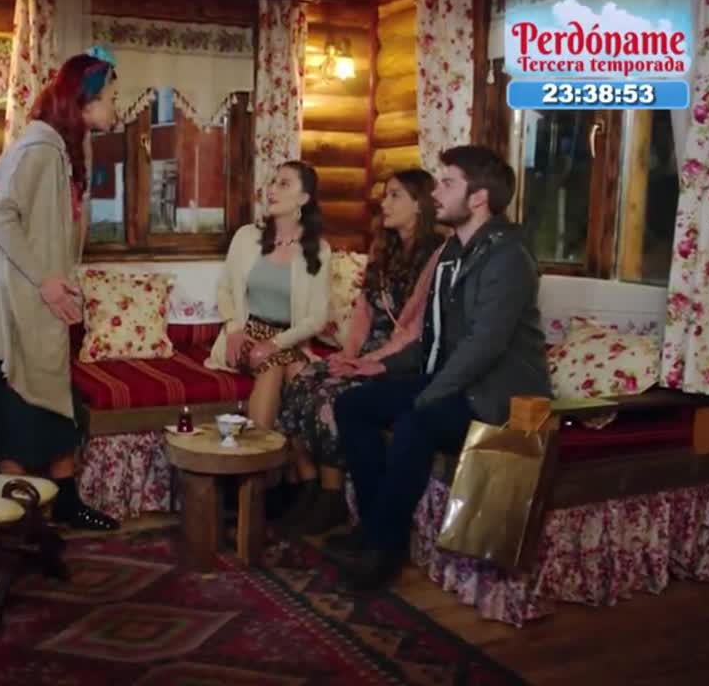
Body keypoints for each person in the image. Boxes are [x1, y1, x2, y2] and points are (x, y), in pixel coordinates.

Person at [330, 145, 551, 590]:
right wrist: (385, 367)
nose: (436, 192)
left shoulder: (508, 256)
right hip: (459, 383)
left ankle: (383, 550)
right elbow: (434, 338)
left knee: (416, 421)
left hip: (499, 395)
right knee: (354, 404)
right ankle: (375, 527)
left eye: (448, 183)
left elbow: (485, 346)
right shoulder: (454, 252)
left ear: (478, 198)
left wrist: (428, 394)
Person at [0, 52, 121, 530]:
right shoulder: (39, 148)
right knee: (16, 417)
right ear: (84, 101)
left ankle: (64, 502)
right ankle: (19, 519)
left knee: (54, 408)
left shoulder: (62, 148)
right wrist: (45, 280)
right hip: (12, 308)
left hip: (41, 307)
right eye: (111, 99)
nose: (116, 108)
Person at [274, 170, 445, 536]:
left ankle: (333, 497)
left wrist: (368, 363)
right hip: (366, 352)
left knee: (332, 394)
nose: (385, 204)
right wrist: (347, 354)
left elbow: (416, 331)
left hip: (400, 360)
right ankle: (310, 487)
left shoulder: (437, 257)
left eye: (395, 196)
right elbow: (363, 312)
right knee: (304, 379)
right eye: (385, 195)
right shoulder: (384, 249)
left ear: (420, 204)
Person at [205, 161, 332, 430]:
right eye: (273, 182)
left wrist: (274, 344)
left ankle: (295, 457)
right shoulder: (246, 237)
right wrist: (233, 329)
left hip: (288, 339)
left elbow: (317, 318)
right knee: (273, 367)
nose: (272, 190)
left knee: (300, 375)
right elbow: (225, 288)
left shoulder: (319, 250)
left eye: (284, 184)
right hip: (246, 333)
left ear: (304, 198)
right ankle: (260, 455)